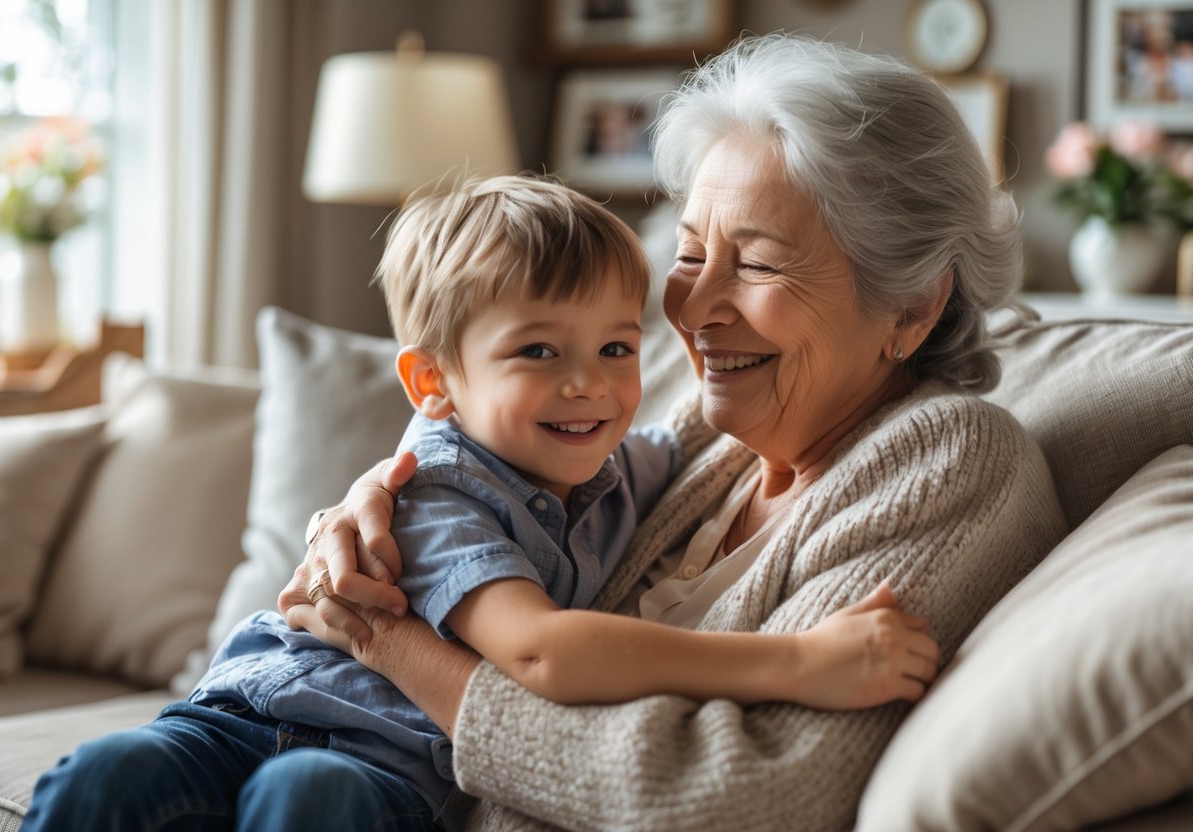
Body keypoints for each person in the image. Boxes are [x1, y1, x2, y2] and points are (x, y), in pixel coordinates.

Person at [286, 34, 1068, 832]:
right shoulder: (714, 433)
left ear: (911, 305)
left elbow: (745, 796)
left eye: (758, 266)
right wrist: (384, 496)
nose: (694, 310)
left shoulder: (949, 458)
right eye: (691, 254)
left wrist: (391, 643)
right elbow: (492, 458)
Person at [21, 175, 939, 832]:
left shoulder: (624, 464)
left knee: (310, 800)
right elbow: (539, 650)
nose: (589, 387)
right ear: (434, 383)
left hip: (380, 776)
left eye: (617, 349)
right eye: (539, 353)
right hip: (242, 713)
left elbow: (707, 451)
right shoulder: (440, 489)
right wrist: (796, 663)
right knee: (112, 772)